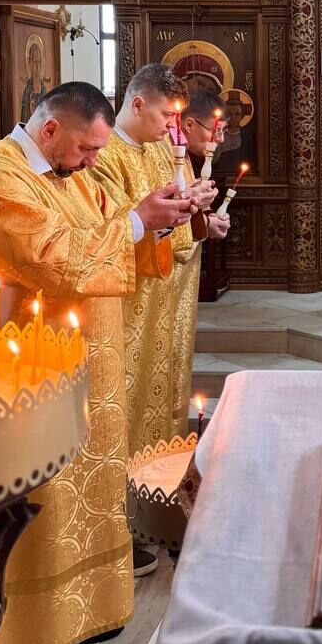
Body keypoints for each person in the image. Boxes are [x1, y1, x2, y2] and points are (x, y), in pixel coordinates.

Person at [0, 83, 192, 644]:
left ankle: (75, 614)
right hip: (20, 384)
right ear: (51, 129)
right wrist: (137, 221)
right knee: (28, 510)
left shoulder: (72, 174)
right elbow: (56, 258)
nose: (91, 162)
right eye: (86, 149)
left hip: (87, 375)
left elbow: (117, 234)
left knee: (80, 504)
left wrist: (161, 220)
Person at [91, 65, 213, 457]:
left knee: (165, 390)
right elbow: (111, 231)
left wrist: (196, 208)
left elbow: (175, 210)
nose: (172, 126)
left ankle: (162, 473)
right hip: (129, 306)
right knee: (129, 393)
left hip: (166, 301)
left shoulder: (163, 147)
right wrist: (179, 213)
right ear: (138, 104)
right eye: (166, 115)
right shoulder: (102, 155)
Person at [153, 87, 231, 437]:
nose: (220, 139)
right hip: (158, 285)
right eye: (216, 131)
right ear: (187, 124)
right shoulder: (161, 152)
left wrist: (205, 221)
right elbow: (154, 222)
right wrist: (198, 222)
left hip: (179, 285)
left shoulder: (179, 153)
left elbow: (182, 216)